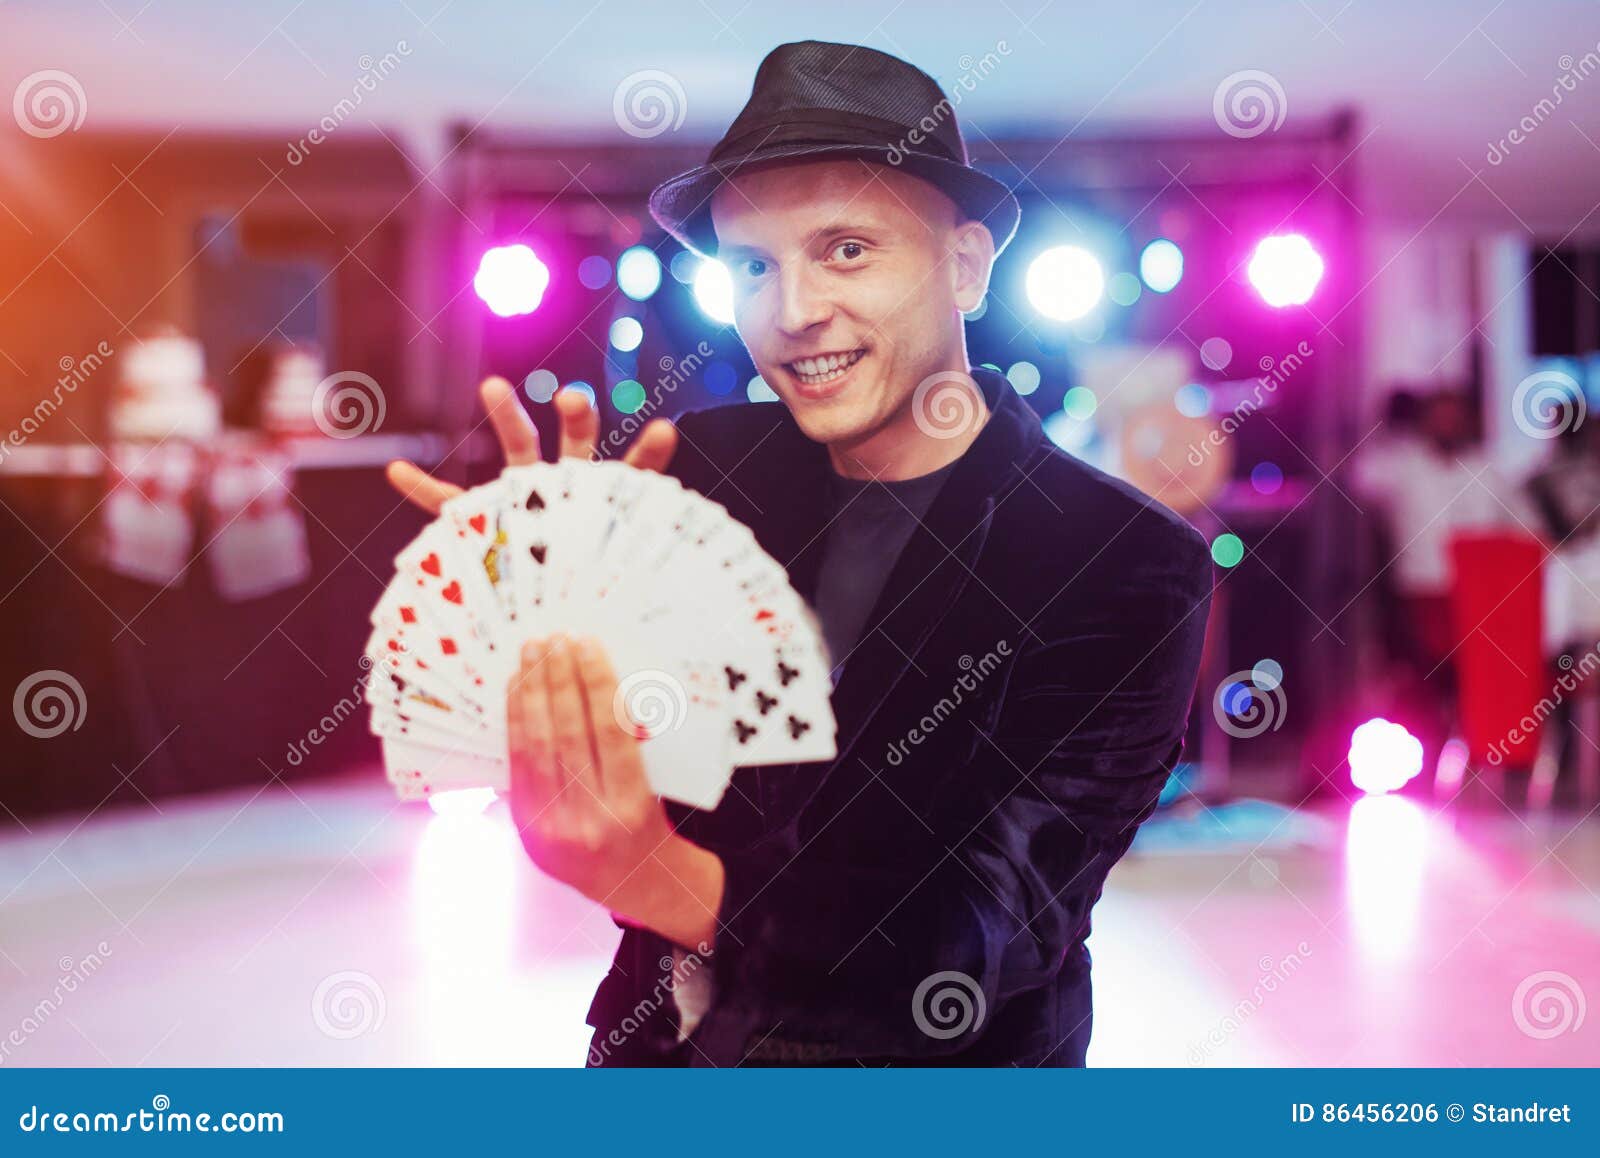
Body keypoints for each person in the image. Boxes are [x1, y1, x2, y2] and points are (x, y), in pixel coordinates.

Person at [386, 40, 1213, 1066]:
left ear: (964, 265)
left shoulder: (1122, 562)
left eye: (847, 249)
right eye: (754, 266)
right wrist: (518, 607)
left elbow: (972, 945)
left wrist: (656, 877)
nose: (793, 313)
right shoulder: (692, 471)